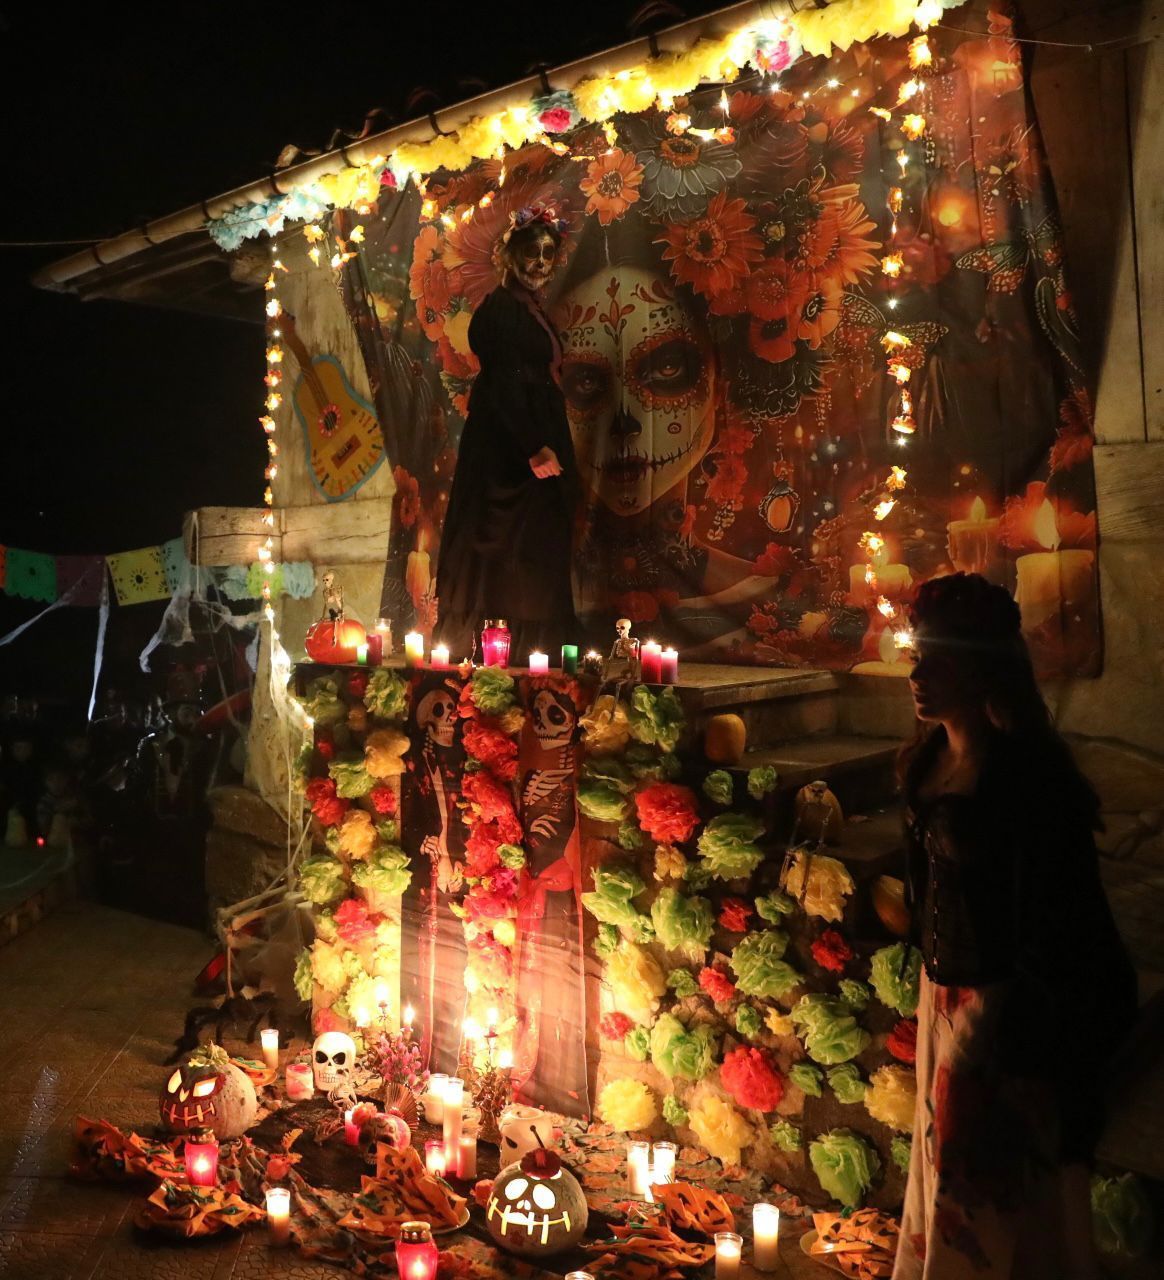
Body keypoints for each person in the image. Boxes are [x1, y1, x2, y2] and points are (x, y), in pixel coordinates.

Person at [892, 573, 1137, 1280]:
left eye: (938, 660)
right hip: (942, 999)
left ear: (981, 667)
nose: (917, 676)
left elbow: (1060, 917)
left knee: (987, 1188)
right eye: (916, 656)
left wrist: (998, 1023)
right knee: (943, 1166)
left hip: (1002, 1004)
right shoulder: (928, 759)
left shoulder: (1025, 779)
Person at [436, 203, 580, 661]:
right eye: (532, 252)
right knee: (509, 540)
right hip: (510, 449)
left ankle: (534, 649)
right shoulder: (501, 309)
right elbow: (500, 384)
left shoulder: (528, 308)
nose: (540, 262)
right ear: (510, 254)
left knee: (536, 540)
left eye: (548, 254)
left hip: (535, 436)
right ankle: (505, 648)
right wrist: (532, 447)